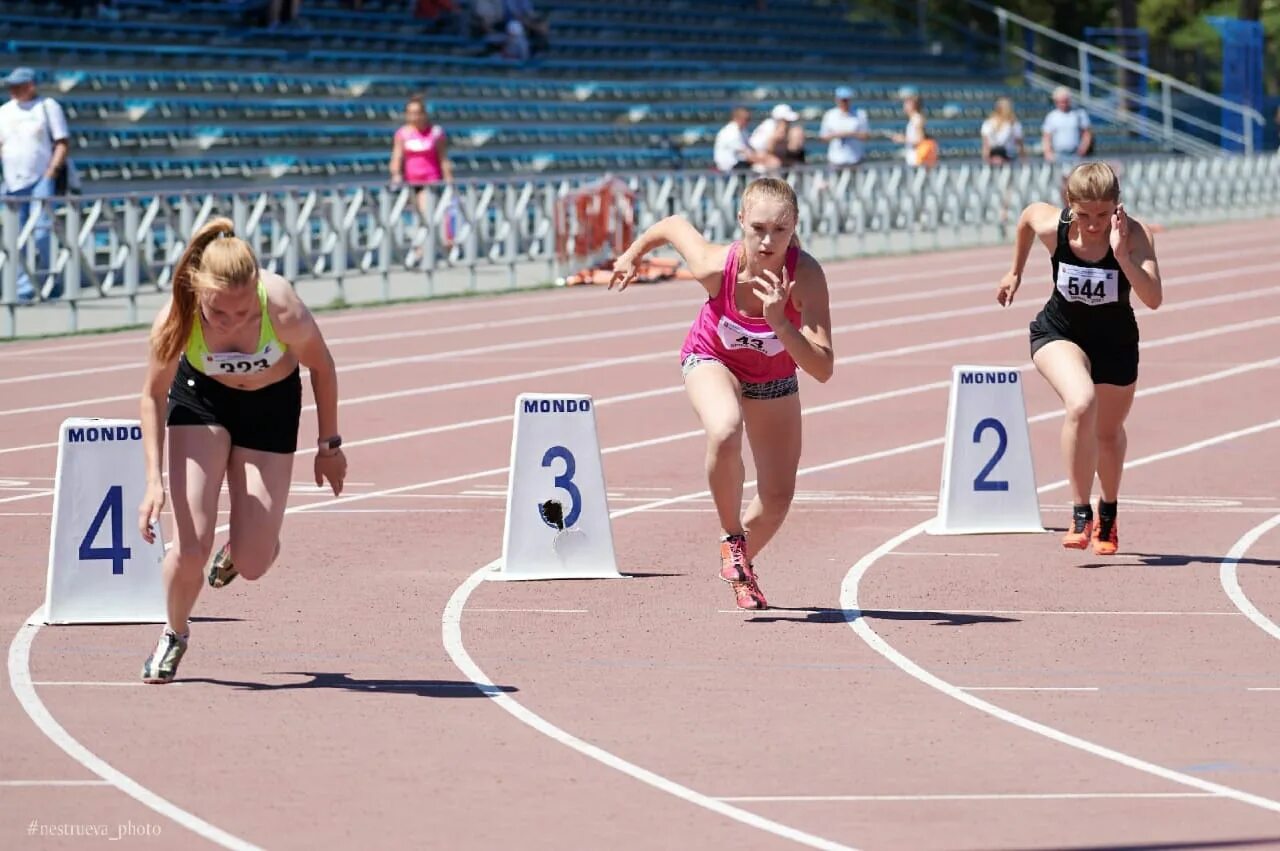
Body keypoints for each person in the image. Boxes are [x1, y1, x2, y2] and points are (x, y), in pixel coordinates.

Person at [136, 217, 347, 683]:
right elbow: (151, 394)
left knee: (253, 563)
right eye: (221, 315)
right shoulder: (180, 313)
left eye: (246, 313)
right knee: (191, 547)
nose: (235, 324)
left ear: (258, 289)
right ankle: (175, 633)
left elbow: (324, 368)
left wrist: (329, 446)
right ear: (200, 294)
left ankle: (241, 545)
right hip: (201, 401)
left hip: (269, 406)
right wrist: (153, 481)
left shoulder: (284, 307)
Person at [608, 178, 834, 609]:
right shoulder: (716, 265)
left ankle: (742, 570)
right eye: (759, 229)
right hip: (713, 360)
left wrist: (781, 323)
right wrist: (631, 255)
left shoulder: (806, 277)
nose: (768, 241)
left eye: (780, 231)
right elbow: (674, 225)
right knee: (725, 428)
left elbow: (823, 367)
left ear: (796, 227)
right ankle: (732, 540)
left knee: (777, 498)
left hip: (774, 378)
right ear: (741, 223)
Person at [996, 162, 1162, 556]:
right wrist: (1014, 271)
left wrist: (1122, 255)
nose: (1093, 224)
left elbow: (1154, 298)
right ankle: (1079, 510)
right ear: (1070, 204)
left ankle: (1109, 509)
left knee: (1107, 434)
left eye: (1103, 215)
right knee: (1081, 402)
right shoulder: (1054, 225)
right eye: (1085, 215)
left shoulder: (1134, 235)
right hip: (1059, 332)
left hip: (1116, 344)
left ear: (1117, 207)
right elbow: (1025, 218)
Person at [0, 67, 70, 302]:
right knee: (15, 236)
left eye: (18, 85)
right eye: (11, 86)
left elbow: (61, 142)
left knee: (42, 233)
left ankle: (51, 280)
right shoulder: (4, 112)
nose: (13, 90)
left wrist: (50, 174)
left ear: (30, 85)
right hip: (12, 182)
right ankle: (23, 288)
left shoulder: (47, 107)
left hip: (40, 180)